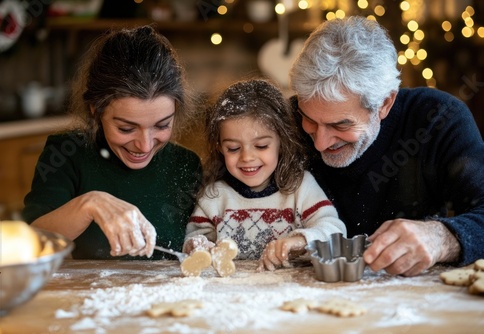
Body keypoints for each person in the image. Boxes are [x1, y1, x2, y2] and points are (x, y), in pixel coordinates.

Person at [289, 16, 484, 276]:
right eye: (310, 120)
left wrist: (442, 237)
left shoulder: (438, 118)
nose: (321, 142)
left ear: (385, 104)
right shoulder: (284, 123)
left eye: (341, 125)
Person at [22, 25, 202, 259]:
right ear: (96, 111)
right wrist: (89, 204)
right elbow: (29, 243)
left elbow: (199, 238)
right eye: (126, 128)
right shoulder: (66, 155)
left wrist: (200, 245)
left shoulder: (186, 165)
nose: (145, 146)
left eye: (161, 125)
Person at [183, 79, 346, 271]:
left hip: (290, 290)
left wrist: (301, 241)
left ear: (282, 142)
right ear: (220, 148)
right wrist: (198, 247)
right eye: (233, 148)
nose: (247, 157)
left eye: (261, 146)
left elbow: (336, 233)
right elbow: (194, 240)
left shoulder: (301, 187)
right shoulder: (214, 196)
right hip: (231, 295)